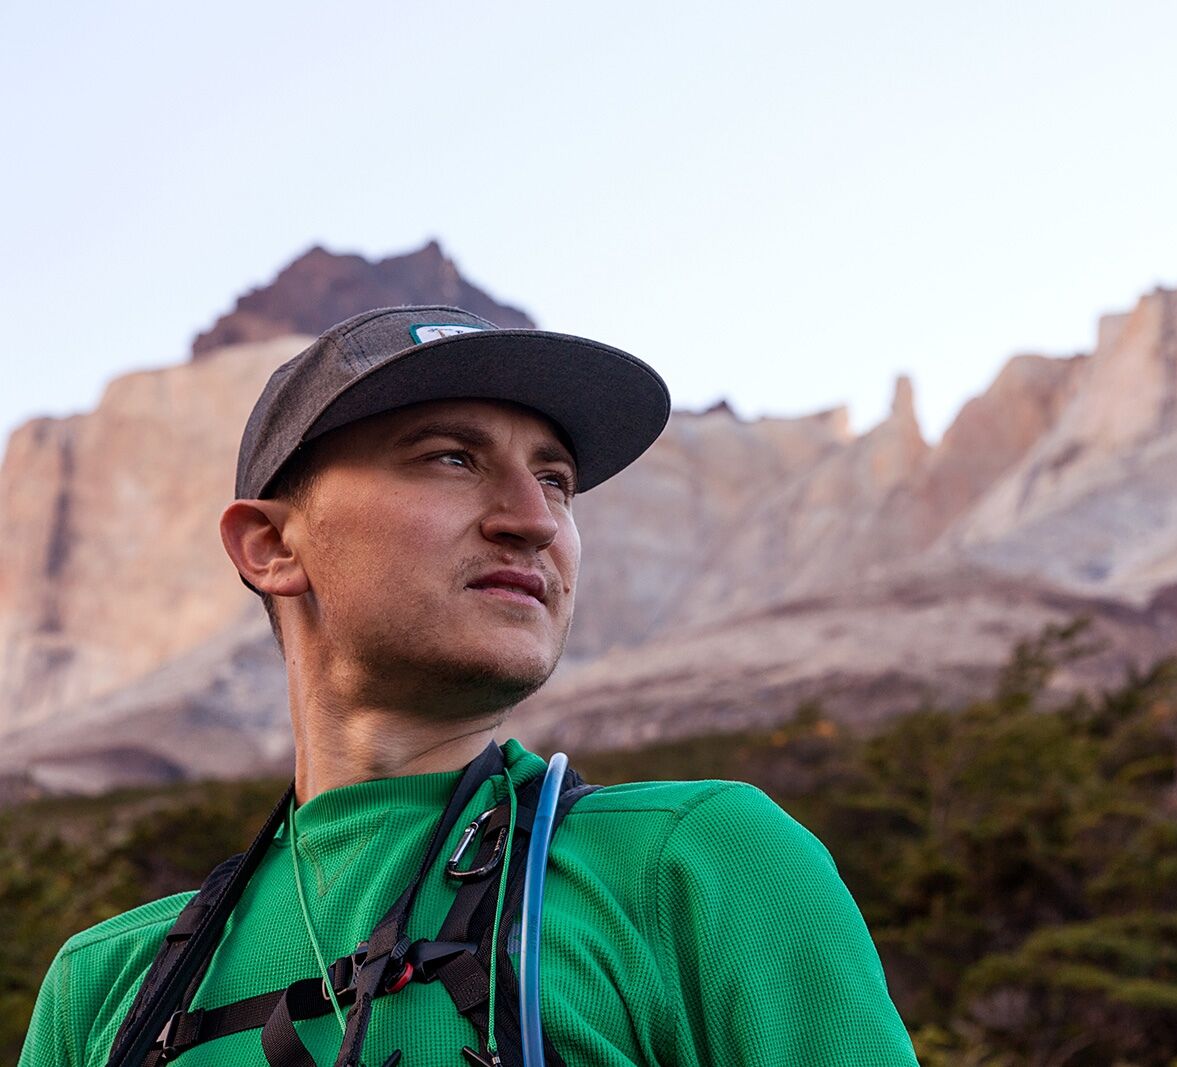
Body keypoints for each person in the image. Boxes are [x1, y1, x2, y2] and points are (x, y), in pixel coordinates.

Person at [19, 306, 919, 1066]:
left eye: (556, 480)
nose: (533, 520)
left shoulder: (701, 866)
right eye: (451, 457)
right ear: (272, 546)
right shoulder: (102, 986)